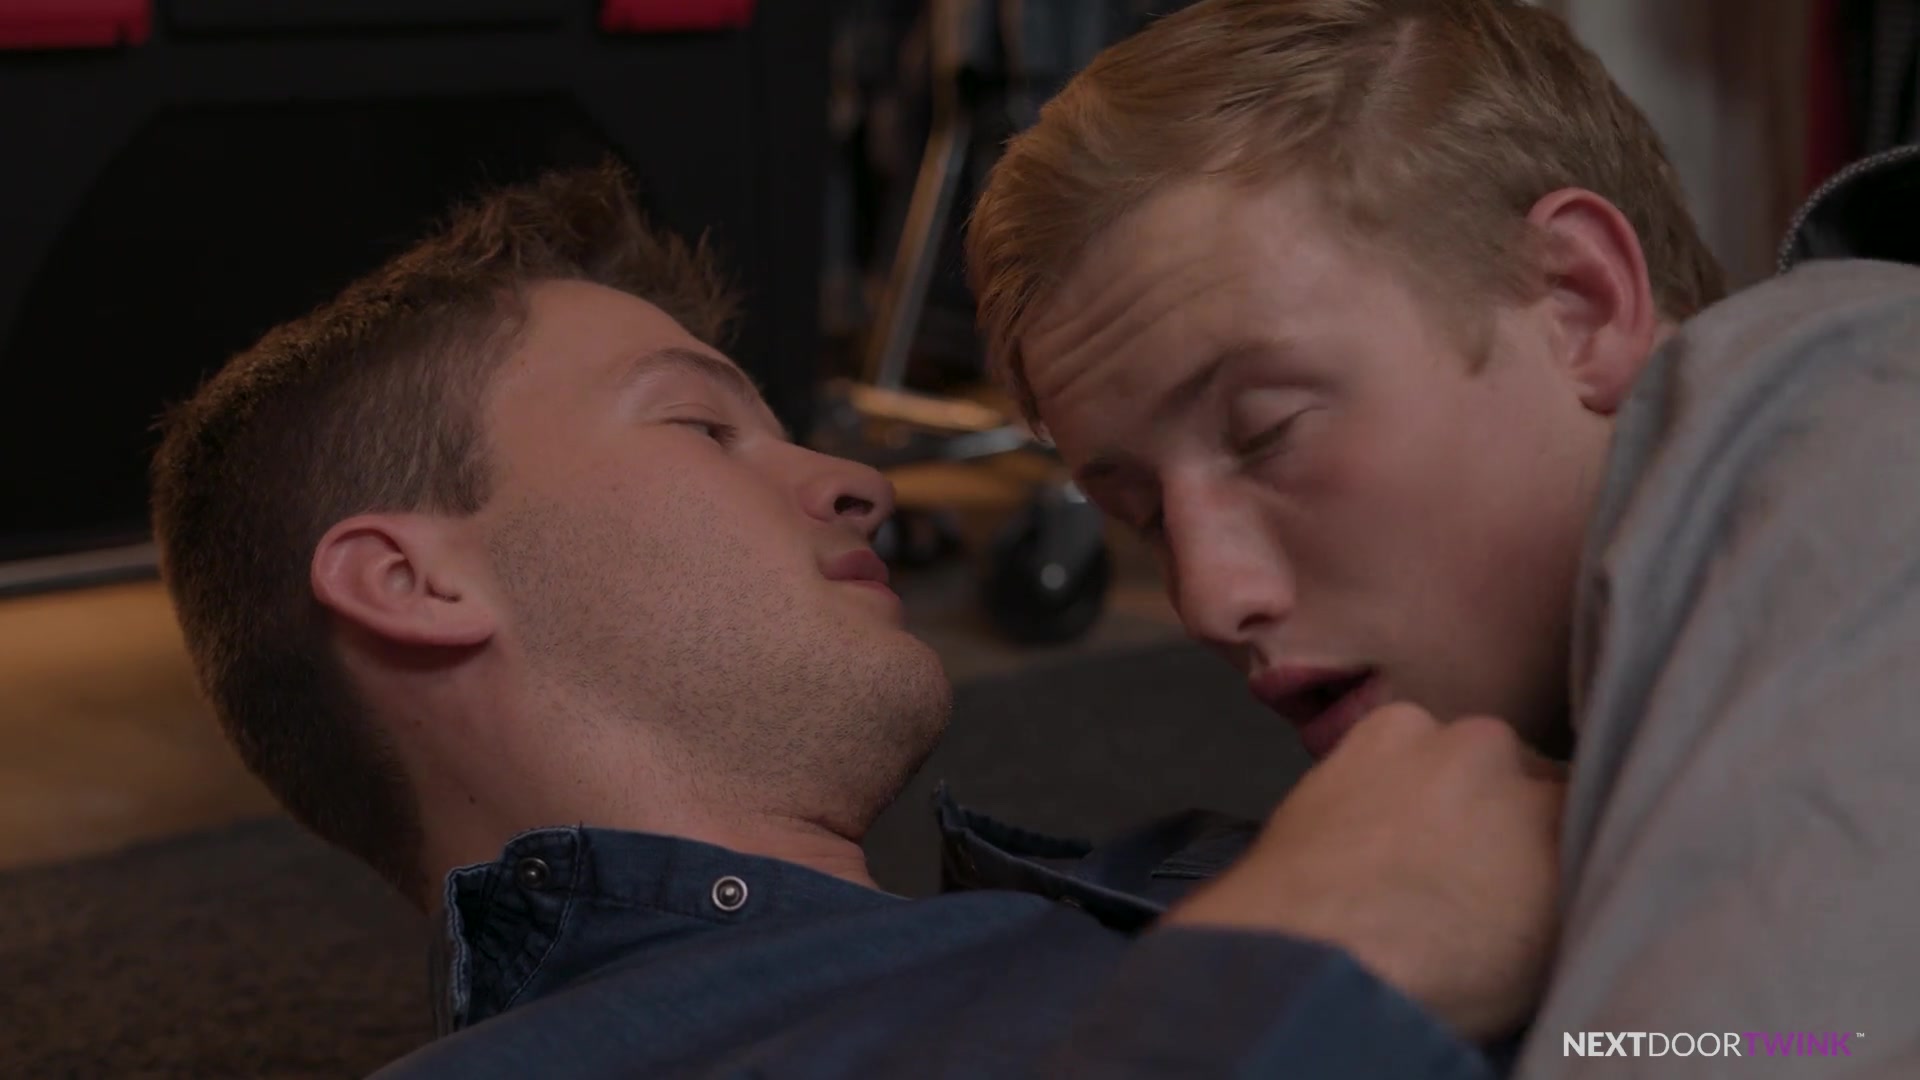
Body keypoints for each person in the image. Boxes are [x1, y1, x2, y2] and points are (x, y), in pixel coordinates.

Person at [149, 162, 1563, 1078]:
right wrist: (1312, 972)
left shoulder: (1146, 885)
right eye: (702, 426)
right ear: (413, 582)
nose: (862, 484)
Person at [966, 0, 1920, 1074]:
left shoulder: (1861, 420)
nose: (1209, 599)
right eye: (1140, 515)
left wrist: (1296, 971)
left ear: (1579, 304)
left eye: (1268, 431)